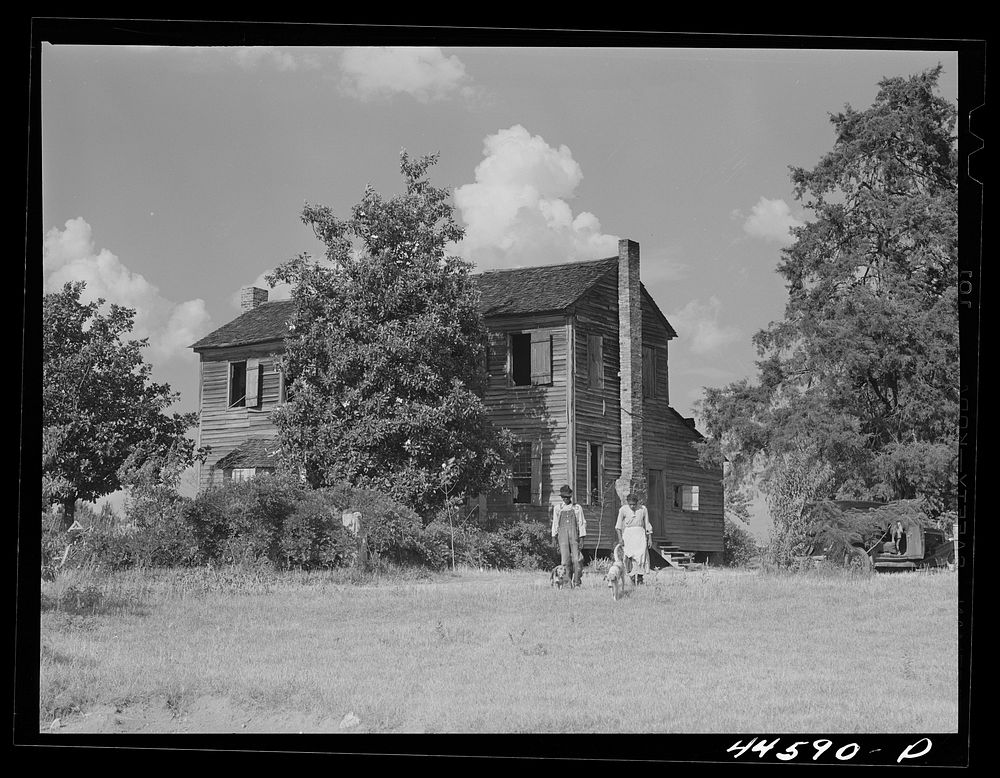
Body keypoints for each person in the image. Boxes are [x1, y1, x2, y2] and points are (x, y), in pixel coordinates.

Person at [551, 485, 586, 586]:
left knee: (577, 559)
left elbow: (581, 523)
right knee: (565, 560)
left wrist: (582, 539)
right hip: (562, 536)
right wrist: (554, 537)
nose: (566, 499)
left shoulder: (577, 508)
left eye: (567, 497)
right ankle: (567, 582)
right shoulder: (558, 508)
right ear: (561, 497)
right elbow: (555, 523)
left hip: (574, 536)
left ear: (570, 497)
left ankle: (577, 582)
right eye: (564, 497)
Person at [616, 493, 653, 584]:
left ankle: (640, 578)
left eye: (634, 504)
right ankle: (632, 577)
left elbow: (647, 524)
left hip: (640, 534)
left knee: (641, 556)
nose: (632, 506)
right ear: (627, 503)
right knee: (629, 556)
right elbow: (618, 526)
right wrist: (620, 539)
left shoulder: (643, 509)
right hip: (628, 535)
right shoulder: (623, 509)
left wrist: (650, 538)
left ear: (637, 503)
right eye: (630, 504)